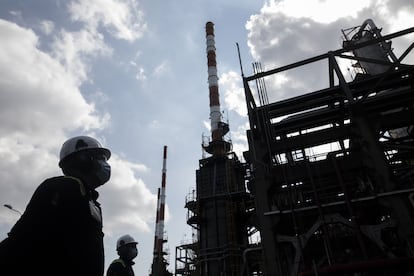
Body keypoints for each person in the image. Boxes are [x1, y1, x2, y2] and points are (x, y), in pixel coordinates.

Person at [0, 135, 111, 276]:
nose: (105, 164)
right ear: (82, 159)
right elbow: (24, 238)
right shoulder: (62, 187)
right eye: (100, 157)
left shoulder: (92, 201)